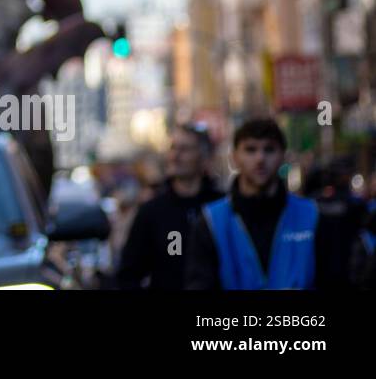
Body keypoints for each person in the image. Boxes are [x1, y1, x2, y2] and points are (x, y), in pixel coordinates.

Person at [185, 118, 329, 290]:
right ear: (235, 157)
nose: (260, 158)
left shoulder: (312, 216)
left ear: (283, 155)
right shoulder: (210, 222)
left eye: (269, 149)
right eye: (250, 150)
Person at [116, 124, 222, 289]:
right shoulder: (151, 211)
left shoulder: (222, 207)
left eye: (185, 149)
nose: (175, 155)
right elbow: (128, 274)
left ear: (204, 156)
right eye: (173, 148)